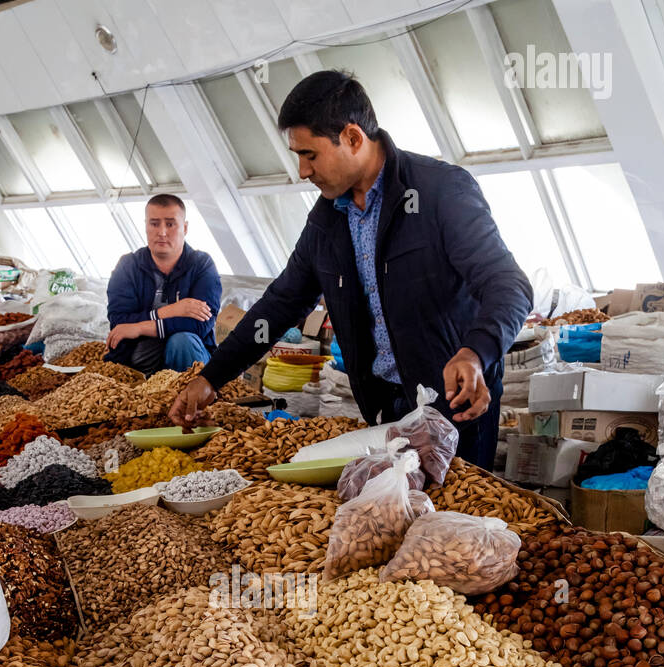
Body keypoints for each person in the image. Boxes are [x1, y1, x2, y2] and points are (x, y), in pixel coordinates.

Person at [170, 72, 532, 467]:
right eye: (298, 157)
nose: (303, 171)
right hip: (385, 410)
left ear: (353, 138)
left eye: (310, 154)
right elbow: (279, 305)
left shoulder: (439, 191)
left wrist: (476, 353)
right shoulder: (327, 221)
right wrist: (211, 377)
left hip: (456, 408)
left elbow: (508, 284)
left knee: (457, 524)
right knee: (394, 520)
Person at [106, 193, 222, 376]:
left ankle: (190, 399)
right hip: (140, 356)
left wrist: (139, 328)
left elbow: (200, 325)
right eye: (154, 223)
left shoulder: (201, 265)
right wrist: (171, 311)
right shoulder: (128, 266)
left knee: (182, 340)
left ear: (184, 227)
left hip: (189, 356)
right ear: (146, 226)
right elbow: (119, 322)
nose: (162, 232)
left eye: (170, 224)